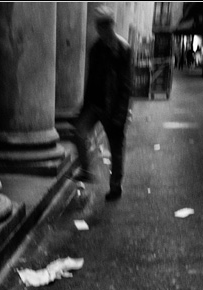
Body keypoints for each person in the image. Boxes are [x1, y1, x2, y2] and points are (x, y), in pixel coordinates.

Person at [73, 6, 133, 201]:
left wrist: (121, 114)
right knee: (80, 132)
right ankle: (86, 170)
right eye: (100, 25)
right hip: (96, 104)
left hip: (114, 107)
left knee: (116, 149)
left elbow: (126, 86)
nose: (102, 29)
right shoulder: (96, 49)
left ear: (112, 25)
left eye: (106, 24)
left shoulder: (123, 49)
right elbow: (91, 80)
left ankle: (115, 186)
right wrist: (84, 108)